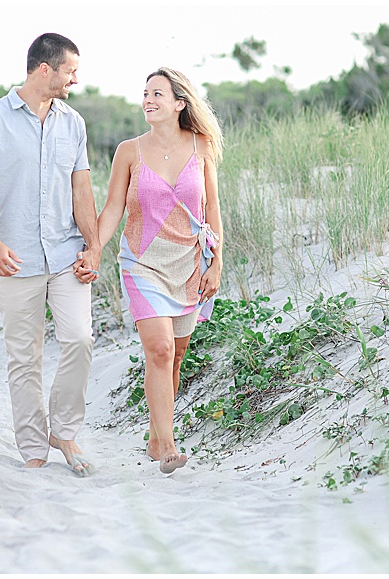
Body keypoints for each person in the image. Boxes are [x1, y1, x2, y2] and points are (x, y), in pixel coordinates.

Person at [0, 33, 101, 477]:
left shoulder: (73, 123)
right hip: (15, 257)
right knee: (25, 356)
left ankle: (64, 430)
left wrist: (93, 246)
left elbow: (82, 189)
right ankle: (32, 445)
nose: (75, 79)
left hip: (65, 254)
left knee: (79, 339)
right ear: (45, 70)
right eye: (70, 71)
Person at [91, 67, 224, 474]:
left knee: (178, 354)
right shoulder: (128, 151)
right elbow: (114, 206)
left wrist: (217, 264)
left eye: (157, 94)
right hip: (142, 262)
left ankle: (154, 432)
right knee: (160, 349)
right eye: (145, 93)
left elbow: (213, 210)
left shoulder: (201, 147)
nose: (148, 99)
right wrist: (94, 248)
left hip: (190, 263)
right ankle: (166, 444)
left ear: (179, 103)